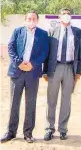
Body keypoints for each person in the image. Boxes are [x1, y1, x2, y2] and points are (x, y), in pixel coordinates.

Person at [1, 11, 49, 144]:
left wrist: (32, 64)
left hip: (32, 73)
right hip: (17, 71)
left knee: (30, 103)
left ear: (37, 20)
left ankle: (28, 133)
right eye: (29, 18)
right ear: (25, 19)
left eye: (34, 18)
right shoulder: (17, 31)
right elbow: (11, 48)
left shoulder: (43, 34)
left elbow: (44, 52)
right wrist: (19, 63)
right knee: (14, 103)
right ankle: (11, 132)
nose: (31, 20)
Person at [43, 8, 81, 141]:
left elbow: (80, 54)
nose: (66, 16)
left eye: (68, 14)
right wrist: (45, 70)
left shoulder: (77, 32)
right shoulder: (52, 31)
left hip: (70, 68)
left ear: (71, 17)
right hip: (55, 68)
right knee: (51, 100)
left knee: (66, 101)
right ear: (59, 17)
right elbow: (46, 52)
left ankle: (63, 129)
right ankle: (49, 128)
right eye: (64, 14)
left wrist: (78, 72)